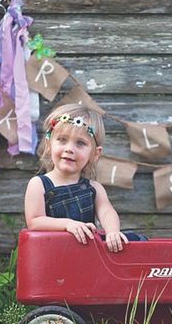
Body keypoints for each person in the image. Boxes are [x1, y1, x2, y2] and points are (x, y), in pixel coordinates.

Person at [24, 103, 145, 252]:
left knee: (137, 240)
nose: (69, 149)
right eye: (62, 139)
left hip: (86, 252)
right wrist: (67, 224)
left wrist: (113, 231)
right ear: (49, 144)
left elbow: (107, 212)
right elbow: (35, 221)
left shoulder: (94, 188)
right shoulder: (39, 184)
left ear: (95, 154)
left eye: (80, 143)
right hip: (52, 253)